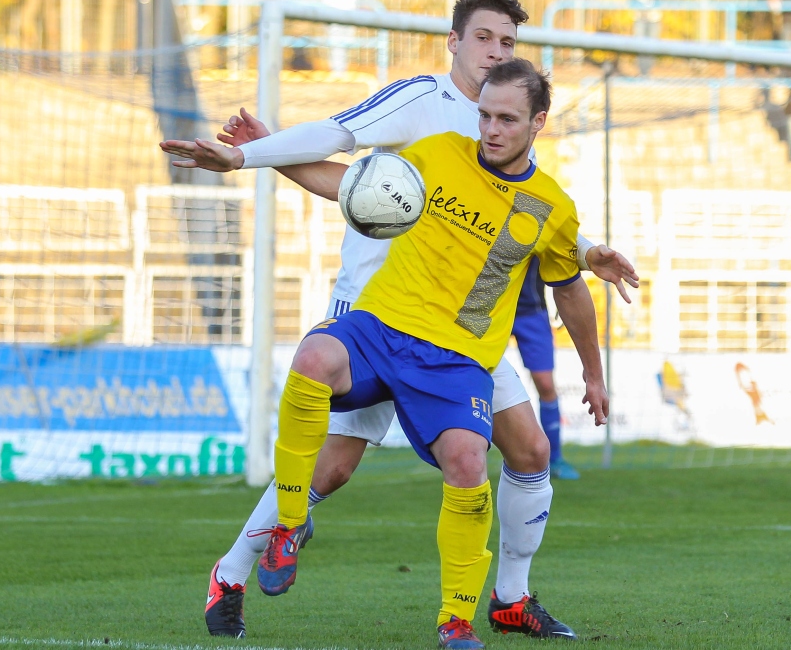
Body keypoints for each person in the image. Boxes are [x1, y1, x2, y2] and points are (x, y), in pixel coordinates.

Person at [161, 0, 638, 641]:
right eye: (484, 38)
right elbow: (339, 142)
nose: (495, 51)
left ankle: (509, 598)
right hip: (378, 312)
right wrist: (253, 157)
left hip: (465, 329)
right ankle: (235, 571)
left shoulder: (500, 123)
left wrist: (587, 251)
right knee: (333, 466)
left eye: (507, 43)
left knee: (529, 448)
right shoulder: (425, 106)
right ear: (454, 41)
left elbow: (526, 215)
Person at [258, 58, 605, 649]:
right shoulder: (439, 152)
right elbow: (351, 184)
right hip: (383, 325)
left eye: (506, 119)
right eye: (485, 115)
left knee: (471, 464)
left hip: (454, 359)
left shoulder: (551, 206)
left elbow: (570, 290)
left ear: (537, 123)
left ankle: (457, 621)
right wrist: (261, 153)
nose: (490, 130)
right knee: (313, 357)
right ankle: (289, 523)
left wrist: (593, 376)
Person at [512, 258, 580, 480]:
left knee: (546, 384)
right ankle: (466, 453)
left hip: (531, 311)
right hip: (487, 309)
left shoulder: (540, 224)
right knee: (475, 377)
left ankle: (556, 459)